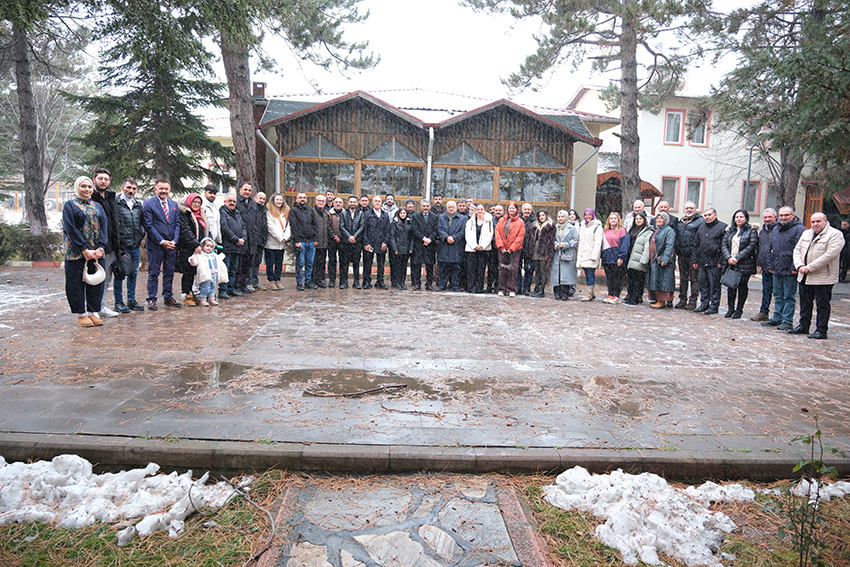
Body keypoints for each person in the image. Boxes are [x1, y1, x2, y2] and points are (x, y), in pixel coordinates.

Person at [790, 213, 845, 339]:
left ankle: (821, 330)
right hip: (804, 275)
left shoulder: (835, 234)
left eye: (818, 221)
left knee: (822, 304)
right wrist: (799, 266)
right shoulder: (806, 233)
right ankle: (803, 326)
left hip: (823, 276)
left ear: (825, 221)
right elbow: (797, 250)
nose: (815, 224)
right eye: (813, 221)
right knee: (805, 302)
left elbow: (830, 255)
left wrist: (809, 268)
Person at [63, 176, 108, 327]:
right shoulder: (70, 205)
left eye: (89, 186)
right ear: (77, 188)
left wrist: (101, 247)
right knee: (75, 282)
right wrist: (83, 248)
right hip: (76, 252)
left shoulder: (98, 206)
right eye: (83, 186)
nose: (87, 189)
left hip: (96, 252)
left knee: (96, 282)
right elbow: (71, 228)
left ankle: (93, 311)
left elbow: (104, 227)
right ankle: (81, 314)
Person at [762, 206, 806, 330]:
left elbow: (800, 250)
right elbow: (770, 249)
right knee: (778, 295)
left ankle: (787, 319)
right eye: (781, 215)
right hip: (776, 268)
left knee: (789, 296)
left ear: (793, 215)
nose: (783, 218)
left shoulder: (799, 229)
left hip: (790, 269)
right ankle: (777, 317)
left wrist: (795, 267)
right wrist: (770, 265)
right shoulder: (776, 229)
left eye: (786, 215)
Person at [142, 178, 182, 310]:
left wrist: (174, 241)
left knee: (169, 272)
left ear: (169, 190)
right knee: (153, 273)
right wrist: (162, 241)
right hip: (155, 245)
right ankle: (152, 298)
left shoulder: (173, 204)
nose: (164, 191)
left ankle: (168, 296)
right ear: (155, 189)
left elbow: (177, 224)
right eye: (161, 188)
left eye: (166, 189)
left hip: (171, 245)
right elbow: (149, 225)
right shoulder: (148, 204)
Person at [113, 178, 145, 313]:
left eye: (133, 188)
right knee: (120, 273)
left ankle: (131, 300)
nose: (131, 191)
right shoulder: (116, 203)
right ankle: (118, 302)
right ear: (122, 188)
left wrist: (141, 234)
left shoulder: (138, 204)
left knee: (133, 273)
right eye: (128, 188)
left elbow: (141, 222)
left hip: (135, 245)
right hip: (122, 245)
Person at [90, 168, 120, 317]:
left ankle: (101, 306)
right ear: (94, 179)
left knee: (107, 279)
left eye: (106, 179)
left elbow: (115, 222)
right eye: (100, 178)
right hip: (97, 246)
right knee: (95, 278)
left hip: (112, 245)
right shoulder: (90, 199)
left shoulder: (112, 198)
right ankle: (92, 308)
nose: (103, 181)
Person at [721, 209, 758, 319]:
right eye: (737, 217)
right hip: (731, 263)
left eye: (741, 217)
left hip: (744, 263)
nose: (738, 219)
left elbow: (752, 246)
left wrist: (738, 257)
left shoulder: (751, 231)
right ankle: (730, 308)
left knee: (742, 286)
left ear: (746, 218)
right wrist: (728, 257)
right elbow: (724, 245)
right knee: (731, 286)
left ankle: (739, 309)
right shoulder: (730, 231)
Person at [691, 208, 727, 315]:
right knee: (703, 284)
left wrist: (721, 261)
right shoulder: (701, 227)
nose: (707, 217)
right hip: (702, 261)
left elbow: (724, 246)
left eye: (709, 215)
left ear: (715, 215)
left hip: (715, 262)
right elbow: (696, 244)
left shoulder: (722, 227)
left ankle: (714, 306)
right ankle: (704, 304)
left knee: (714, 285)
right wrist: (695, 260)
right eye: (705, 215)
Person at [234, 182, 267, 294]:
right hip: (240, 238)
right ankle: (236, 286)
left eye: (249, 190)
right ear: (240, 190)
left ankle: (244, 284)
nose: (247, 192)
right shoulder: (236, 202)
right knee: (239, 264)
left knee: (248, 264)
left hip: (252, 239)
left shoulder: (253, 204)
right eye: (245, 189)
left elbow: (257, 222)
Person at [176, 193, 209, 306]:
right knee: (188, 272)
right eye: (194, 202)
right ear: (189, 202)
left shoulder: (201, 215)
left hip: (200, 248)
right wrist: (195, 245)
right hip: (188, 248)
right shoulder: (185, 214)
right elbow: (186, 231)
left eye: (199, 202)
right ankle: (186, 295)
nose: (196, 204)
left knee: (196, 273)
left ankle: (194, 293)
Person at [675, 201, 704, 310]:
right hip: (682, 254)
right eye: (687, 208)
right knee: (683, 278)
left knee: (694, 279)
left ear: (695, 209)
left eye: (691, 208)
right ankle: (682, 300)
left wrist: (696, 256)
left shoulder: (700, 221)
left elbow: (700, 240)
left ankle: (693, 301)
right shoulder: (681, 221)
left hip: (693, 255)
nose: (689, 210)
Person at [218, 192, 247, 299]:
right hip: (227, 246)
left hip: (237, 247)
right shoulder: (223, 213)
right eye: (230, 201)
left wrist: (243, 238)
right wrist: (235, 239)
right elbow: (224, 228)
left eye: (234, 201)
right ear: (225, 202)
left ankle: (231, 289)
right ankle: (223, 290)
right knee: (224, 270)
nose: (232, 203)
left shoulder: (237, 214)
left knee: (233, 270)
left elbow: (243, 227)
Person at [750, 208, 777, 321]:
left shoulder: (778, 230)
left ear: (775, 217)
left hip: (777, 267)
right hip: (765, 266)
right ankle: (764, 312)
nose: (767, 219)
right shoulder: (763, 231)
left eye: (770, 217)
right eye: (765, 217)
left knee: (779, 293)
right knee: (766, 291)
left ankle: (779, 315)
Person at [495, 201, 526, 297]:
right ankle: (502, 289)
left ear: (516, 209)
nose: (511, 210)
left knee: (513, 269)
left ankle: (511, 289)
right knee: (502, 269)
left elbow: (520, 237)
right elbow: (497, 233)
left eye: (513, 208)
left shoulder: (520, 222)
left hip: (514, 250)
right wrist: (501, 247)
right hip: (502, 249)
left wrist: (511, 248)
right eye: (510, 208)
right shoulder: (502, 220)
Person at [290, 191, 319, 291]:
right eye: (300, 197)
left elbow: (315, 225)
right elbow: (293, 226)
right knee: (300, 263)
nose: (302, 199)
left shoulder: (310, 210)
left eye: (304, 198)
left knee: (310, 263)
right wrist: (297, 240)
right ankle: (299, 282)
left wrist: (316, 239)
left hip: (311, 242)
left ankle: (308, 281)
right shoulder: (293, 210)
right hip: (300, 242)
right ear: (296, 199)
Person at [648, 212, 677, 308]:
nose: (659, 220)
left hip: (664, 260)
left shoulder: (669, 231)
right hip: (656, 259)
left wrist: (665, 258)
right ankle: (658, 299)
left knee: (664, 280)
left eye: (661, 218)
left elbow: (669, 245)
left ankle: (663, 301)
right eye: (657, 218)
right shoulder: (658, 230)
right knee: (657, 279)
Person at [436, 200, 466, 291]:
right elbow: (439, 229)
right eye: (449, 207)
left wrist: (454, 238)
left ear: (456, 208)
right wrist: (446, 237)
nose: (451, 208)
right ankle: (442, 285)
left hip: (457, 246)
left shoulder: (463, 219)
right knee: (443, 267)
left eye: (453, 207)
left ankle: (455, 285)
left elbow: (463, 231)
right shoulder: (441, 217)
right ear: (447, 208)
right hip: (444, 245)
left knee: (456, 268)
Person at [464, 204, 494, 294]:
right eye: (478, 209)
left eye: (481, 209)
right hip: (471, 249)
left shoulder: (489, 221)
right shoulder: (470, 221)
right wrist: (474, 246)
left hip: (484, 250)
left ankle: (479, 288)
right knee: (471, 269)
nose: (480, 211)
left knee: (481, 269)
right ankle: (471, 287)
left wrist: (482, 246)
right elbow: (467, 235)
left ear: (484, 211)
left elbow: (490, 235)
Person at [362, 195, 390, 290]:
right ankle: (366, 281)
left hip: (381, 243)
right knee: (367, 263)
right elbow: (364, 229)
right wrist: (366, 243)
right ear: (372, 203)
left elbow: (388, 230)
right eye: (375, 201)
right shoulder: (366, 214)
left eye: (379, 201)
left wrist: (386, 242)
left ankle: (380, 282)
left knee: (381, 264)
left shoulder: (385, 215)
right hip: (370, 242)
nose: (377, 202)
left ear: (381, 203)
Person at [601, 212, 630, 304]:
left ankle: (616, 295)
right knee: (609, 277)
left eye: (615, 218)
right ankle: (610, 293)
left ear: (618, 220)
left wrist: (621, 257)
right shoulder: (605, 230)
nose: (613, 220)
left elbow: (624, 245)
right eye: (611, 218)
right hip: (607, 257)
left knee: (617, 278)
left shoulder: (622, 231)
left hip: (616, 257)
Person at [189, 237, 227, 306]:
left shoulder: (213, 255)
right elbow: (195, 262)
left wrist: (222, 256)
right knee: (205, 287)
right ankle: (202, 299)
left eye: (211, 247)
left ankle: (211, 299)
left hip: (214, 273)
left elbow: (218, 260)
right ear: (202, 246)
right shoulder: (200, 255)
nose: (209, 248)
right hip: (205, 274)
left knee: (212, 287)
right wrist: (193, 260)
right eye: (207, 246)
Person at [550, 210, 579, 300]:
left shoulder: (572, 228)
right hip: (556, 253)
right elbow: (551, 239)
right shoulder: (554, 228)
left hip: (567, 253)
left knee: (566, 274)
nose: (560, 218)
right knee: (556, 274)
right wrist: (556, 245)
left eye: (562, 217)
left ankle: (565, 293)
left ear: (566, 217)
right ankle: (557, 293)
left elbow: (575, 240)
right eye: (559, 217)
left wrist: (565, 244)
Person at [410, 199, 439, 291]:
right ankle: (417, 283)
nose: (425, 208)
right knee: (417, 265)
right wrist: (423, 238)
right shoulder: (415, 216)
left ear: (430, 207)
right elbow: (414, 229)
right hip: (419, 244)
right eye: (424, 206)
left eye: (427, 206)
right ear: (420, 207)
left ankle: (429, 284)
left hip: (430, 245)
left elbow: (436, 229)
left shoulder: (435, 217)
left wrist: (430, 239)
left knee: (429, 265)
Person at [624, 211, 651, 305]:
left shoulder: (648, 231)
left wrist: (644, 260)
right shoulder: (632, 230)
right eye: (637, 219)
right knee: (631, 280)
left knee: (638, 281)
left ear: (644, 220)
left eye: (640, 219)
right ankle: (630, 296)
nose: (638, 220)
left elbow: (647, 246)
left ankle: (635, 298)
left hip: (639, 258)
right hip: (630, 257)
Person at [264, 193, 290, 290]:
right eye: (277, 200)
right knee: (270, 263)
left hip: (282, 243)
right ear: (273, 201)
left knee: (279, 263)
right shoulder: (268, 212)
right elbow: (270, 227)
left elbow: (288, 226)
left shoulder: (286, 212)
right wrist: (280, 237)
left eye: (280, 200)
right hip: (271, 242)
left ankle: (277, 279)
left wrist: (286, 237)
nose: (279, 202)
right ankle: (271, 281)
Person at [577, 208, 604, 301]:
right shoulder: (583, 226)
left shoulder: (597, 227)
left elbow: (597, 243)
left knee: (590, 274)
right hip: (583, 254)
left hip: (591, 254)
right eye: (586, 215)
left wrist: (594, 256)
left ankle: (588, 293)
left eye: (589, 215)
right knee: (586, 272)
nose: (587, 217)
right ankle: (592, 292)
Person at [338, 195, 364, 289]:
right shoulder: (344, 214)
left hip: (357, 243)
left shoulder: (361, 214)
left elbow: (362, 226)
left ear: (357, 203)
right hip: (346, 242)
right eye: (351, 202)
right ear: (348, 203)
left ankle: (356, 282)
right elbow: (341, 226)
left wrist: (354, 236)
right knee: (345, 263)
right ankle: (344, 282)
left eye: (354, 202)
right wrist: (349, 236)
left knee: (356, 263)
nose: (353, 203)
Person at [528, 209, 556, 298]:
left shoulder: (550, 226)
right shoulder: (535, 226)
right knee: (537, 270)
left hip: (544, 251)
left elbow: (551, 240)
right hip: (535, 250)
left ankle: (542, 289)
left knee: (543, 270)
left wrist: (548, 252)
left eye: (543, 215)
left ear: (546, 216)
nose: (541, 217)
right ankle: (536, 287)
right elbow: (531, 239)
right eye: (540, 216)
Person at [248, 191, 268, 291]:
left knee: (257, 262)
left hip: (261, 240)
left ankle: (255, 281)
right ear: (255, 198)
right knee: (250, 262)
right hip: (253, 240)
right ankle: (249, 282)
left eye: (264, 199)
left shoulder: (264, 210)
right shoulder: (252, 209)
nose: (262, 200)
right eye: (260, 198)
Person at [389, 208, 413, 289]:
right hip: (398, 248)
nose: (403, 214)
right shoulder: (394, 223)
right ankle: (397, 282)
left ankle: (403, 282)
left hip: (406, 248)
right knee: (397, 267)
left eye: (404, 213)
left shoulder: (409, 222)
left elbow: (411, 237)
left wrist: (411, 248)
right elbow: (392, 236)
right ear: (398, 214)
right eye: (401, 213)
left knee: (404, 266)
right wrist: (394, 248)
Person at [311, 194, 331, 288]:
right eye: (319, 201)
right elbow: (309, 227)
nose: (321, 203)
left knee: (321, 263)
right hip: (315, 243)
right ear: (316, 201)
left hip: (324, 243)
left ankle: (319, 280)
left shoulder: (326, 214)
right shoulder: (312, 212)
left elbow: (328, 227)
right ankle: (312, 280)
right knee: (313, 263)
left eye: (323, 201)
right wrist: (313, 239)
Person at [517, 203, 536, 295]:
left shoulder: (535, 222)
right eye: (525, 209)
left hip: (530, 248)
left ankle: (526, 289)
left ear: (531, 211)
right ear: (522, 210)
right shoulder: (517, 220)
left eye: (528, 209)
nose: (527, 211)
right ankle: (518, 287)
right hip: (518, 247)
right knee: (517, 268)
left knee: (529, 269)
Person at [326, 197, 344, 288]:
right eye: (336, 202)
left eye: (340, 202)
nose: (338, 204)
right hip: (331, 241)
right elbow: (328, 226)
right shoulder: (329, 213)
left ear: (343, 204)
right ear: (333, 204)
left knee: (343, 261)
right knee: (332, 261)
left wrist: (340, 236)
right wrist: (334, 236)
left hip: (343, 241)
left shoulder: (346, 213)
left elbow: (346, 226)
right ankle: (332, 280)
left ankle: (342, 281)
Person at [486, 204, 504, 293]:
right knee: (491, 267)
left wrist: (499, 243)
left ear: (503, 212)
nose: (497, 212)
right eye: (496, 210)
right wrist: (494, 241)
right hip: (491, 247)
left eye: (499, 211)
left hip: (502, 248)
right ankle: (489, 285)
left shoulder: (505, 221)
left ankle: (498, 285)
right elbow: (488, 232)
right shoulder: (490, 221)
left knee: (500, 268)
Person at [839, 219, 850, 283]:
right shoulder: (839, 232)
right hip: (839, 249)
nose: (843, 226)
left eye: (845, 225)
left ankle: (842, 277)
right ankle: (838, 277)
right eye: (842, 224)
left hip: (847, 250)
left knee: (845, 264)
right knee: (837, 264)